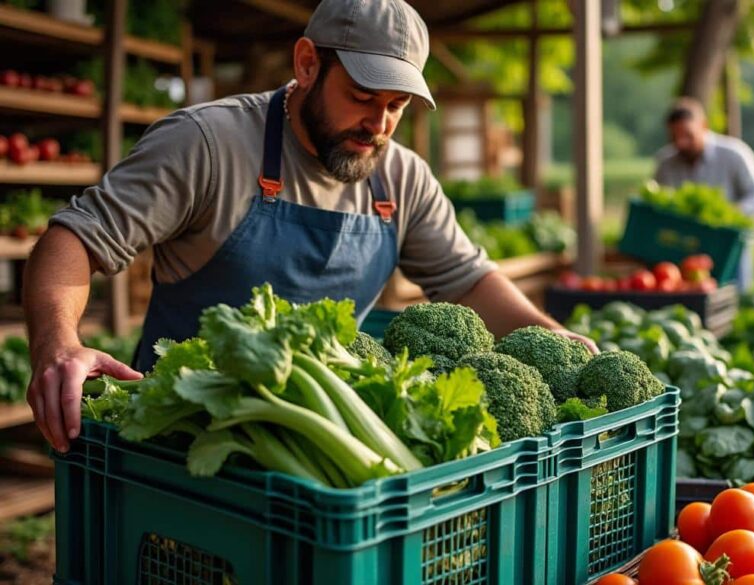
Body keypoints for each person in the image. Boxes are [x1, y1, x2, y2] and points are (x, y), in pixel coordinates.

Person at [23, 0, 594, 454]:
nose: (379, 124)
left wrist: (551, 337)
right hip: (181, 442)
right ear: (306, 64)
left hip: (321, 454)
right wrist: (59, 346)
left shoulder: (401, 176)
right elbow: (73, 239)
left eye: (397, 105)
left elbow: (467, 279)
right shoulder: (207, 143)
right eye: (364, 96)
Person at [652, 97, 754, 291]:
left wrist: (730, 213)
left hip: (728, 248)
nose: (681, 143)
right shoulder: (665, 163)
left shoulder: (734, 154)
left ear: (704, 125)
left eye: (688, 135)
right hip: (683, 253)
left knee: (734, 303)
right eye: (675, 138)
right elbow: (660, 205)